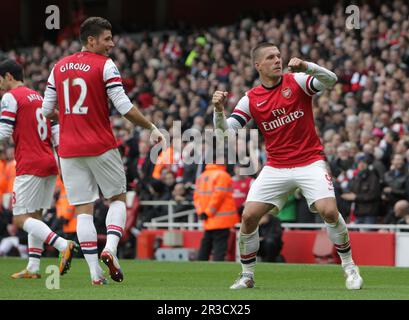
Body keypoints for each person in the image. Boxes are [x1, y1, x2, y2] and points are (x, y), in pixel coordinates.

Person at [213, 42, 363, 290]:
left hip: (310, 162)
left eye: (279, 56)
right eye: (271, 57)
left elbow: (331, 80)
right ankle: (247, 275)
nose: (277, 60)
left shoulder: (298, 81)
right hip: (276, 166)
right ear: (257, 65)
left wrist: (307, 66)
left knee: (328, 211)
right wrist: (218, 111)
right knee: (249, 216)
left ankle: (350, 267)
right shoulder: (250, 99)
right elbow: (225, 134)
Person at [41, 17, 165, 285]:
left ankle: (95, 275)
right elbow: (123, 106)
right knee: (118, 198)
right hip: (100, 144)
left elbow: (46, 110)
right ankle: (110, 248)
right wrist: (151, 126)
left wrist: (68, 118)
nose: (112, 44)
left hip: (69, 148)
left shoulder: (58, 67)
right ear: (91, 40)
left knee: (83, 210)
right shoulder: (105, 65)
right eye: (107, 39)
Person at [0, 59, 77, 279]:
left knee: (19, 219)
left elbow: (4, 133)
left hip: (30, 162)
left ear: (8, 76)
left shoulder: (10, 97)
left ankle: (63, 245)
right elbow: (56, 129)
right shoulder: (39, 97)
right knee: (35, 217)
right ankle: (33, 268)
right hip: (48, 160)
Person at [193, 156, 240, 261]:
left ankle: (200, 265)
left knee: (206, 244)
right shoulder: (223, 175)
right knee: (219, 247)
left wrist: (201, 212)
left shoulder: (202, 176)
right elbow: (218, 196)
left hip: (208, 218)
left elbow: (196, 197)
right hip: (221, 219)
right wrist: (209, 212)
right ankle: (216, 266)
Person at [340, 154, 382, 224]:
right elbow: (351, 190)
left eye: (364, 162)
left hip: (369, 213)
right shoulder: (356, 177)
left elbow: (373, 195)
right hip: (357, 213)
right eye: (359, 162)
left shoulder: (373, 177)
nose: (361, 164)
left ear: (367, 164)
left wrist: (355, 197)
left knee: (368, 234)